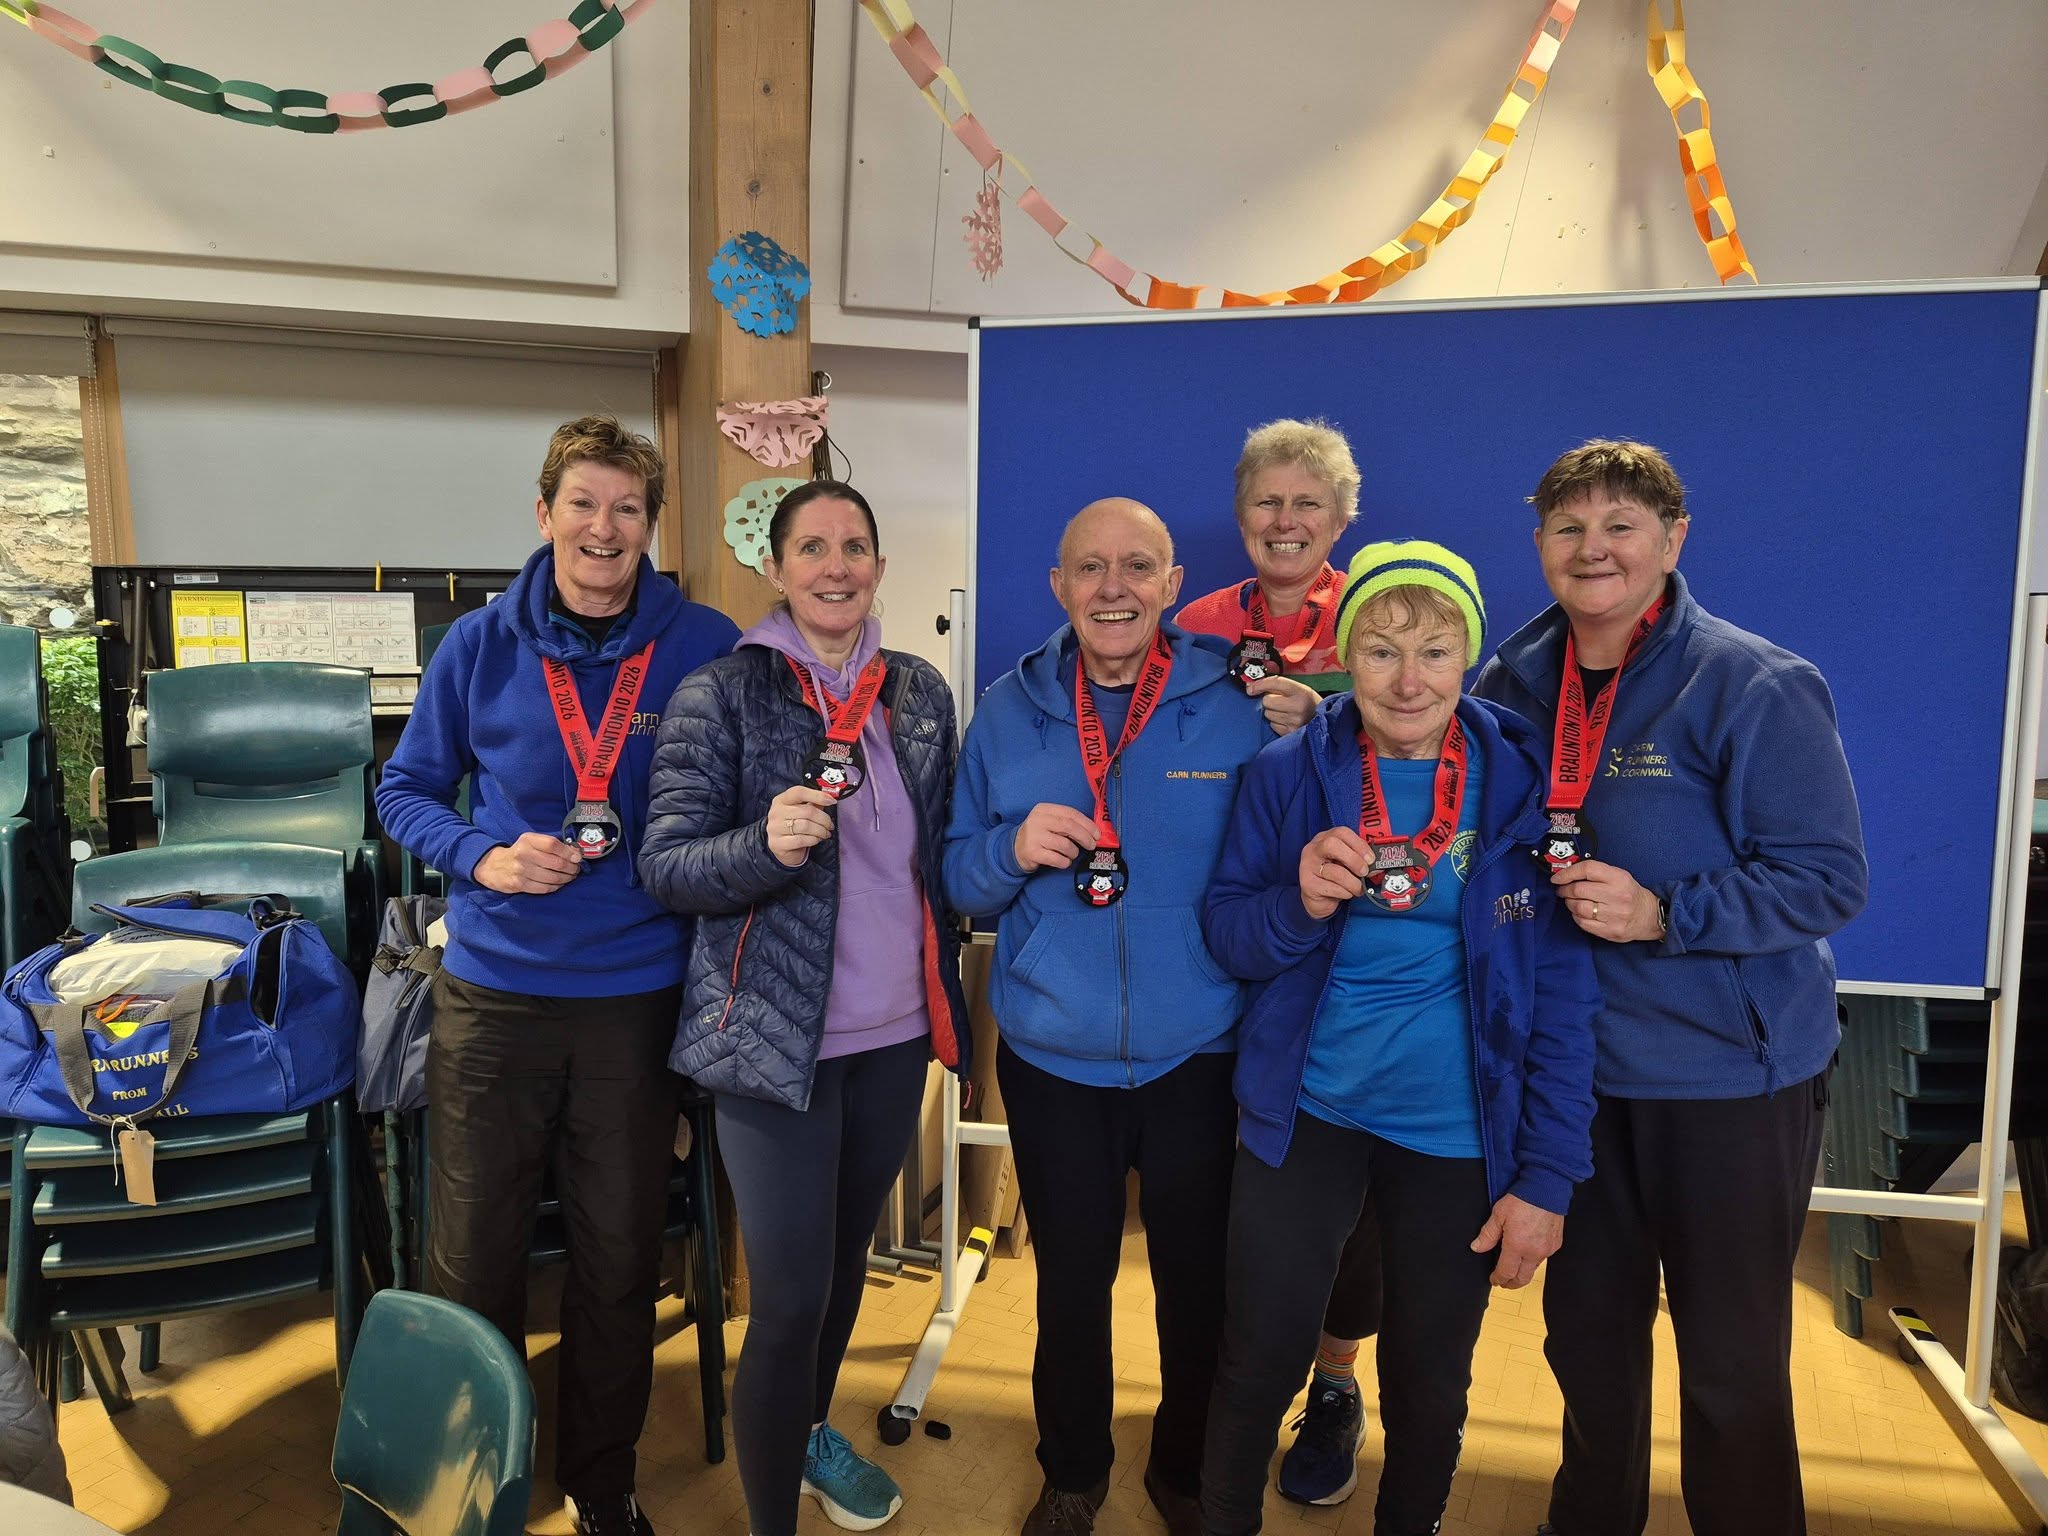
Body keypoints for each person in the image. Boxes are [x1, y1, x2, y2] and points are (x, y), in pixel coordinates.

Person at [1470, 440, 1868, 1536]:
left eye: (1619, 526)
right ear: (1539, 544)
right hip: (1574, 1085)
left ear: (1670, 541)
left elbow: (1828, 880)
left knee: (1729, 1367)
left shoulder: (1752, 684)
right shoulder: (1508, 680)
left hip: (1724, 1082)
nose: (1591, 549)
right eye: (1567, 528)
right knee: (1586, 1344)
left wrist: (1665, 912)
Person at [376, 415, 740, 1536]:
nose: (604, 527)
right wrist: (479, 851)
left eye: (626, 508)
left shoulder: (704, 641)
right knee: (470, 1254)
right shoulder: (477, 646)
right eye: (582, 504)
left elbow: (740, 790)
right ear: (544, 516)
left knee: (619, 1253)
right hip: (492, 996)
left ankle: (601, 1477)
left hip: (634, 999)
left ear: (649, 524)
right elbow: (403, 793)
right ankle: (474, 1477)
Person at [1196, 540, 1600, 1536]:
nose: (1406, 678)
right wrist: (1295, 900)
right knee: (1254, 1360)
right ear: (1344, 656)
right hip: (1307, 1113)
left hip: (1457, 1134)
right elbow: (1228, 931)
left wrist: (1545, 1176)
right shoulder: (1289, 772)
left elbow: (1557, 992)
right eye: (1379, 650)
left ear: (1467, 655)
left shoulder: (1519, 785)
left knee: (1429, 1384)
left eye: (1432, 649)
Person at [640, 480, 968, 1536]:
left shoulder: (915, 692)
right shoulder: (721, 694)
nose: (836, 566)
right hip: (769, 1041)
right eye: (812, 547)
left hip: (891, 1037)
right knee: (782, 1304)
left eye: (856, 547)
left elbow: (942, 860)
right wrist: (757, 844)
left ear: (878, 565)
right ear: (774, 569)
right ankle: (770, 1517)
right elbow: (667, 869)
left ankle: (808, 1435)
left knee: (835, 1281)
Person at [944, 498, 1275, 1536]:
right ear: (1058, 586)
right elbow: (957, 876)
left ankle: (1181, 1472)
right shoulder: (1005, 709)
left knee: (1196, 1293)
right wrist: (1006, 850)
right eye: (1089, 567)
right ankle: (1074, 1472)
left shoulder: (1237, 704)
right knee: (1069, 1291)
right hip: (1053, 1056)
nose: (1114, 586)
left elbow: (1275, 867)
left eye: (1137, 566)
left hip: (1198, 1052)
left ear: (1174, 583)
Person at [1174, 416, 1383, 1506]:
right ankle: (1238, 1384)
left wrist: (1333, 713)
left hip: (1352, 949)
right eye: (1267, 502)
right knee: (1249, 1194)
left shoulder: (1380, 615)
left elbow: (1432, 729)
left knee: (1352, 1197)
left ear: (1341, 521)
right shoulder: (1195, 623)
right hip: (1225, 930)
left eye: (1308, 504)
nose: (1286, 520)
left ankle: (1338, 1383)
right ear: (1241, 515)